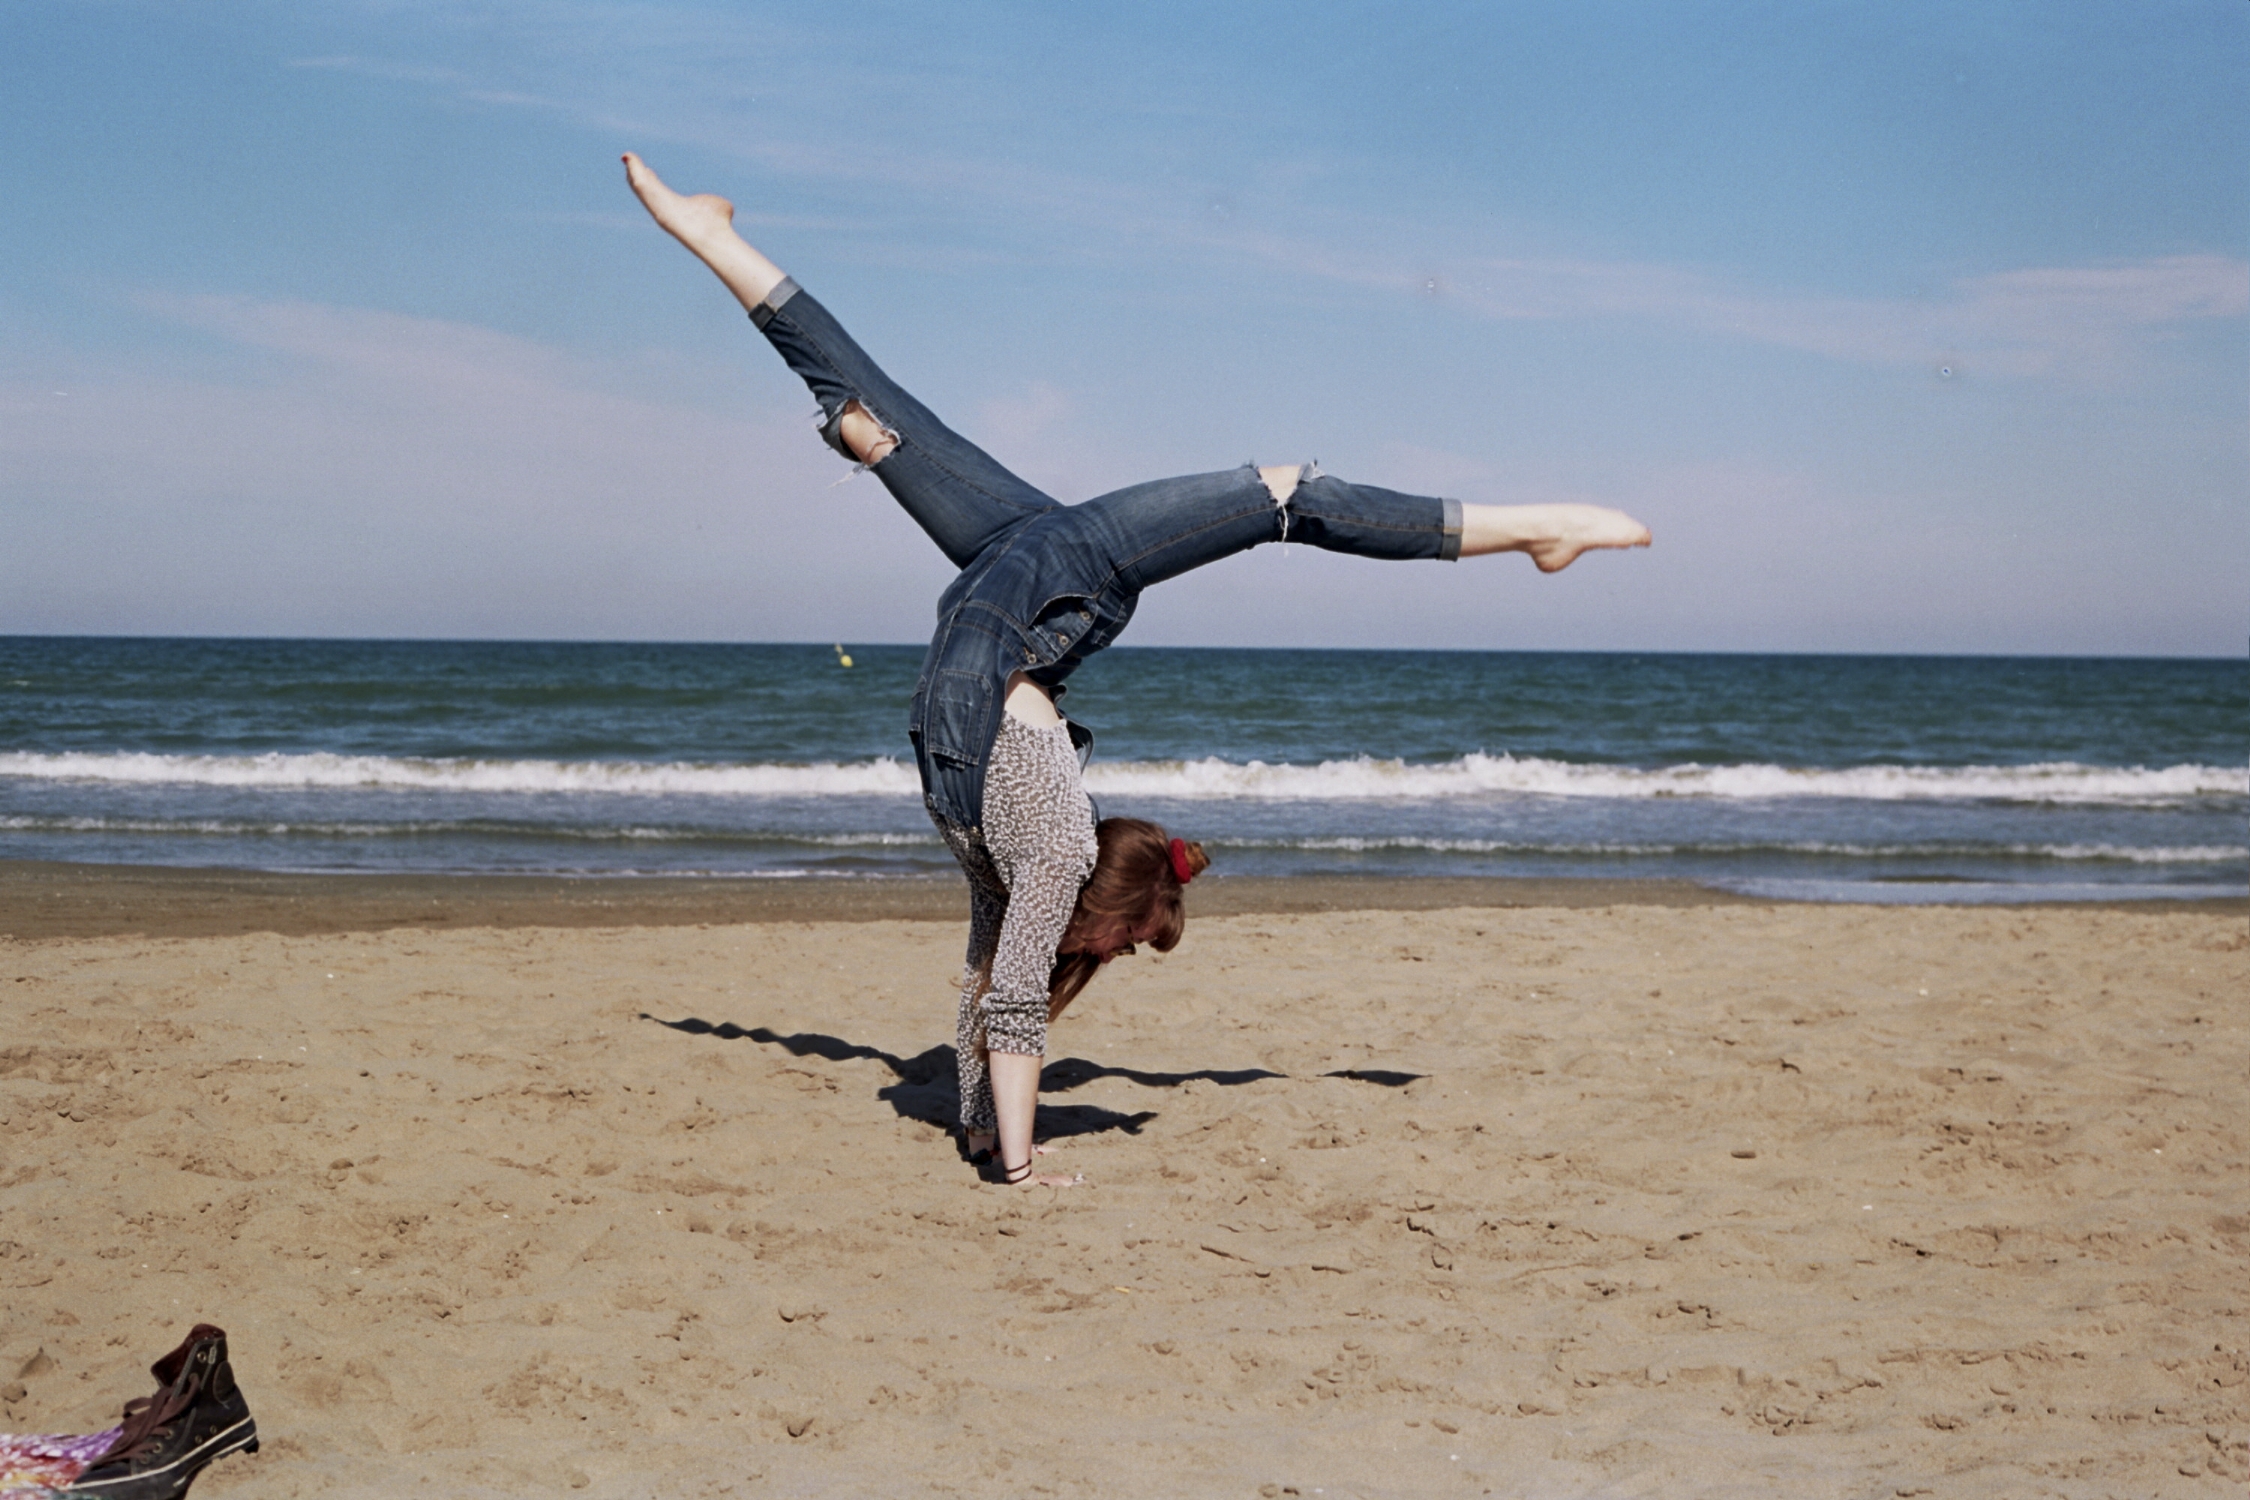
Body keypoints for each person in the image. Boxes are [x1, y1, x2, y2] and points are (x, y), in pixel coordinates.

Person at [622, 154, 1650, 1188]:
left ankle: (1535, 531)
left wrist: (1011, 1162)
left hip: (1014, 632)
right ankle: (726, 258)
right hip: (1005, 619)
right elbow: (996, 988)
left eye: (1117, 947)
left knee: (1281, 493)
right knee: (895, 409)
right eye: (1125, 944)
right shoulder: (1037, 854)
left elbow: (1014, 993)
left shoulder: (1051, 851)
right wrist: (993, 1147)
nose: (1109, 955)